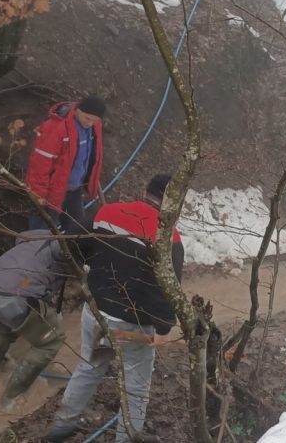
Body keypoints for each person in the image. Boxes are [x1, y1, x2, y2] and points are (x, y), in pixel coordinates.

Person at [44, 174, 184, 443]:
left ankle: (61, 428)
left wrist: (93, 266)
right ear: (174, 203)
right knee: (136, 389)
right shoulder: (169, 237)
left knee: (89, 366)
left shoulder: (107, 212)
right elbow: (168, 290)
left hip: (96, 311)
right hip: (134, 324)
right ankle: (126, 439)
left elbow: (72, 243)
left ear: (145, 190)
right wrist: (164, 328)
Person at [0, 228, 69, 405]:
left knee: (1, 333)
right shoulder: (63, 247)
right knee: (50, 342)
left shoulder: (34, 236)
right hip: (13, 297)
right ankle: (9, 399)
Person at [26, 96, 106, 231]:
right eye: (87, 118)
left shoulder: (94, 127)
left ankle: (66, 252)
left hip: (74, 190)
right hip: (52, 192)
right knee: (39, 233)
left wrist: (91, 184)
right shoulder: (56, 127)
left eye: (95, 120)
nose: (90, 123)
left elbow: (92, 157)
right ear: (78, 110)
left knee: (78, 231)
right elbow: (41, 163)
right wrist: (39, 193)